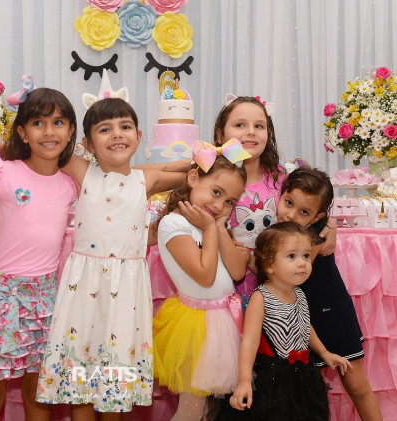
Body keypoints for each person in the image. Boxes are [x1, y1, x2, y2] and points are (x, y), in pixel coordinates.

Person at [35, 98, 190, 420]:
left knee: (114, 383)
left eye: (125, 127)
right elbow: (43, 146)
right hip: (84, 288)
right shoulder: (83, 171)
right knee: (79, 380)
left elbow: (193, 173)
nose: (117, 134)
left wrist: (208, 157)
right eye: (105, 129)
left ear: (139, 136)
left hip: (126, 292)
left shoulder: (146, 181)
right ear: (88, 144)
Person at [0, 86, 80, 421]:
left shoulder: (70, 183)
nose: (49, 131)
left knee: (39, 398)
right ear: (22, 131)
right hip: (2, 298)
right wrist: (11, 146)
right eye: (38, 123)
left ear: (71, 131)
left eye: (58, 123)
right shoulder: (4, 170)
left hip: (46, 300)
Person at [153, 139, 250, 421]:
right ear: (194, 179)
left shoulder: (214, 224)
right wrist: (209, 229)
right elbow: (205, 277)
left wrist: (218, 228)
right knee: (191, 410)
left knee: (208, 408)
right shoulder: (174, 224)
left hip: (222, 321)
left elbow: (237, 272)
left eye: (229, 201)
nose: (219, 205)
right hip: (194, 326)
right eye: (216, 192)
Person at [276, 167, 383, 421]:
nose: (291, 214)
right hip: (300, 316)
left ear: (318, 216)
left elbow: (289, 275)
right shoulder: (280, 229)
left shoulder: (314, 236)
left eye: (304, 212)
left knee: (356, 383)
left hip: (330, 312)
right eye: (288, 203)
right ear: (281, 195)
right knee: (308, 390)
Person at [219, 221, 351, 421]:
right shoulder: (261, 297)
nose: (302, 263)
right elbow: (250, 342)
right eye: (292, 256)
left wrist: (325, 353)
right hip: (273, 381)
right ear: (269, 264)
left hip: (303, 377)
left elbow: (305, 327)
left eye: (306, 256)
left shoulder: (299, 293)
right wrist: (245, 381)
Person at [213, 95, 335, 300]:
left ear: (268, 133)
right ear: (220, 134)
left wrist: (329, 223)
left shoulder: (280, 176)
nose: (250, 131)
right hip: (225, 291)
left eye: (259, 126)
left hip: (274, 293)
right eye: (240, 125)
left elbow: (308, 205)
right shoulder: (212, 180)